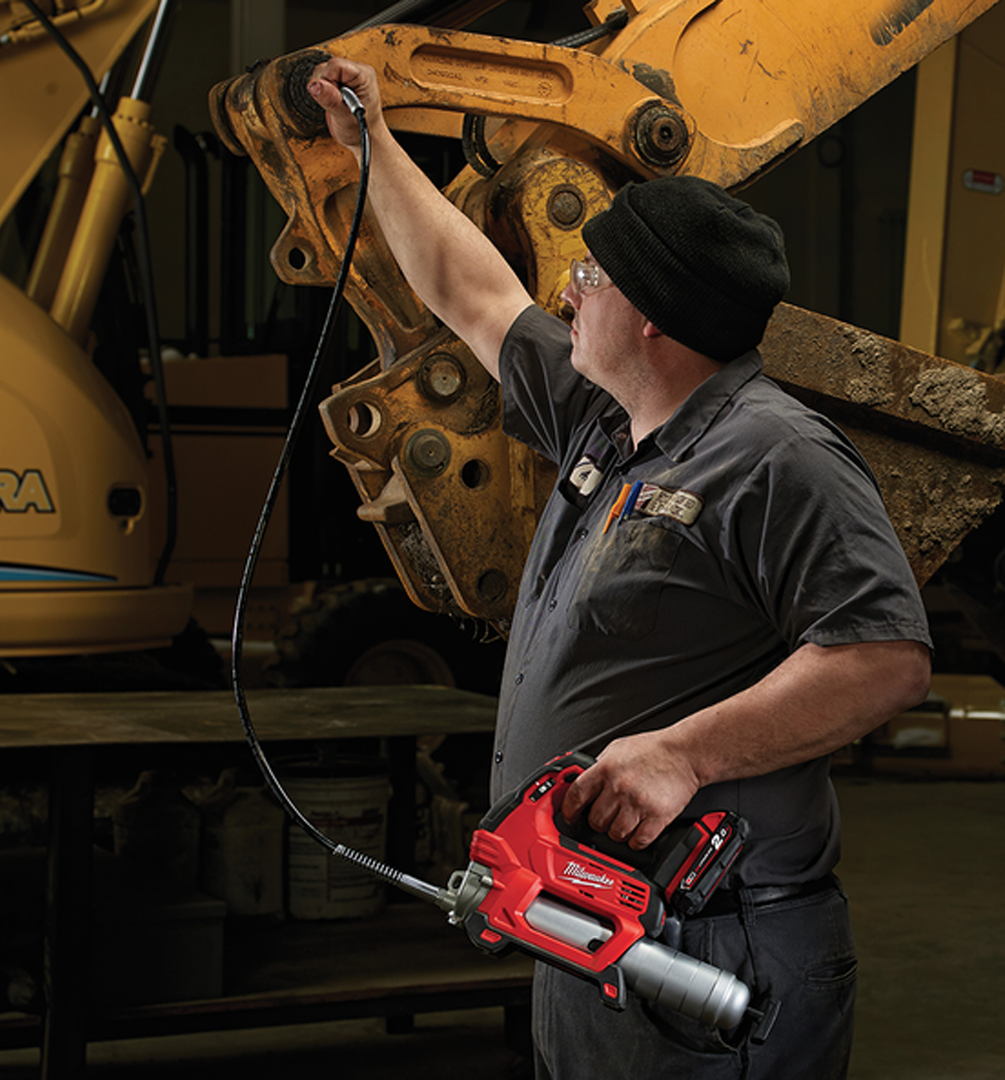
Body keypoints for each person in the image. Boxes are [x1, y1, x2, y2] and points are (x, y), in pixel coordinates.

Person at [307, 58, 932, 1079]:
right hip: (590, 926)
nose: (566, 292)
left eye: (589, 278)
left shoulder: (777, 456)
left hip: (714, 943)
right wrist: (372, 141)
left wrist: (685, 755)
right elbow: (472, 292)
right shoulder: (608, 420)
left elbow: (885, 658)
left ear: (651, 316)